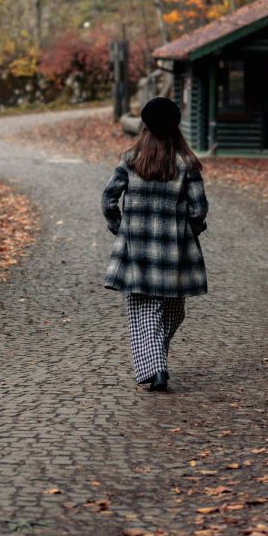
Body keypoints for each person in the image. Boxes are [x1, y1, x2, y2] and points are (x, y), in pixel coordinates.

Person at [101, 96, 209, 393]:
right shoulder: (187, 164)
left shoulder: (131, 160)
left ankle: (155, 366)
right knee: (172, 311)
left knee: (145, 310)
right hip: (175, 251)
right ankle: (157, 366)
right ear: (176, 128)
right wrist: (190, 231)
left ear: (145, 127)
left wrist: (119, 227)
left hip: (136, 249)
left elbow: (108, 198)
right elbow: (198, 209)